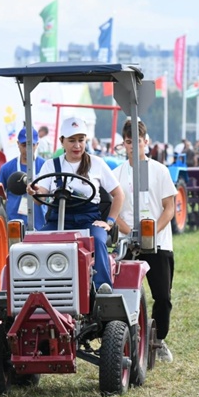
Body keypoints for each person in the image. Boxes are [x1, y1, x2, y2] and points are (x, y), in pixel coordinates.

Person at [29, 116, 124, 293]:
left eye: (81, 140)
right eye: (72, 140)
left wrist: (109, 222)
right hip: (58, 220)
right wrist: (35, 192)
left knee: (98, 240)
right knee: (33, 242)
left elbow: (119, 194)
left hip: (88, 220)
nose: (77, 145)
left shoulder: (97, 163)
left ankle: (102, 288)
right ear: (62, 141)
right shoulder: (51, 165)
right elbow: (40, 194)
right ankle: (34, 288)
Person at [115, 118, 176, 363]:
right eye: (129, 142)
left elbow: (169, 208)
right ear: (124, 144)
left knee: (162, 296)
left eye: (138, 141)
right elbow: (113, 210)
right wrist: (129, 233)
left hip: (159, 243)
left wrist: (151, 234)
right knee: (122, 295)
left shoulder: (159, 171)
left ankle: (158, 340)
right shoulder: (116, 173)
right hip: (126, 243)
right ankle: (124, 341)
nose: (133, 146)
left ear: (146, 141)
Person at [0, 126, 45, 229]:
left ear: (37, 144)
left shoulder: (45, 166)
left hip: (40, 224)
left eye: (31, 145)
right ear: (18, 144)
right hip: (14, 225)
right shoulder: (6, 168)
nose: (28, 149)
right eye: (24, 145)